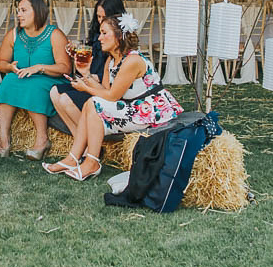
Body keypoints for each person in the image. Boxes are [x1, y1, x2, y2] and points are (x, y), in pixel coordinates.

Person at [44, 12, 183, 181]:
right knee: (92, 104)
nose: (99, 38)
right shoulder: (111, 61)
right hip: (130, 107)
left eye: (104, 33)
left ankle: (90, 162)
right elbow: (104, 90)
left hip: (149, 111)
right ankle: (74, 159)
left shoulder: (132, 61)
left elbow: (111, 97)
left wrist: (85, 88)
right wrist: (86, 74)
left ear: (119, 37)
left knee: (93, 103)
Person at [0, 0, 70, 160]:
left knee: (34, 86)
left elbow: (65, 68)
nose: (18, 15)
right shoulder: (14, 35)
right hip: (22, 77)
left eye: (23, 10)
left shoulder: (54, 34)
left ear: (37, 11)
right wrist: (9, 67)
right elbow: (1, 62)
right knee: (7, 82)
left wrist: (40, 68)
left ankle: (42, 140)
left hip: (52, 79)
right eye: (18, 11)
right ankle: (4, 140)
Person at [49, 0, 125, 134]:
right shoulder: (98, 33)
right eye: (98, 17)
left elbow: (113, 77)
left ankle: (90, 141)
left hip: (103, 86)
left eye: (104, 17)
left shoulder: (118, 40)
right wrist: (78, 48)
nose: (101, 21)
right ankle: (80, 140)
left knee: (66, 99)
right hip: (90, 78)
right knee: (54, 92)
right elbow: (91, 53)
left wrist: (94, 77)